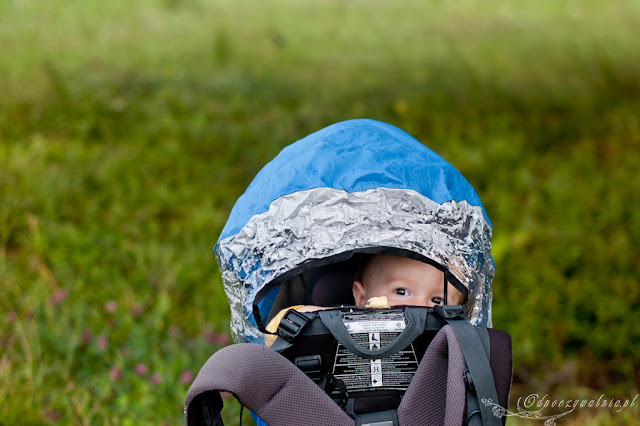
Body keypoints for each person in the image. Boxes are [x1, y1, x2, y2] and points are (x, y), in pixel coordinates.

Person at [265, 253, 465, 339]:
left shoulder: (443, 339)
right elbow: (280, 326)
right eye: (401, 292)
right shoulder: (348, 323)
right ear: (362, 298)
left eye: (437, 300)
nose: (421, 307)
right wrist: (334, 318)